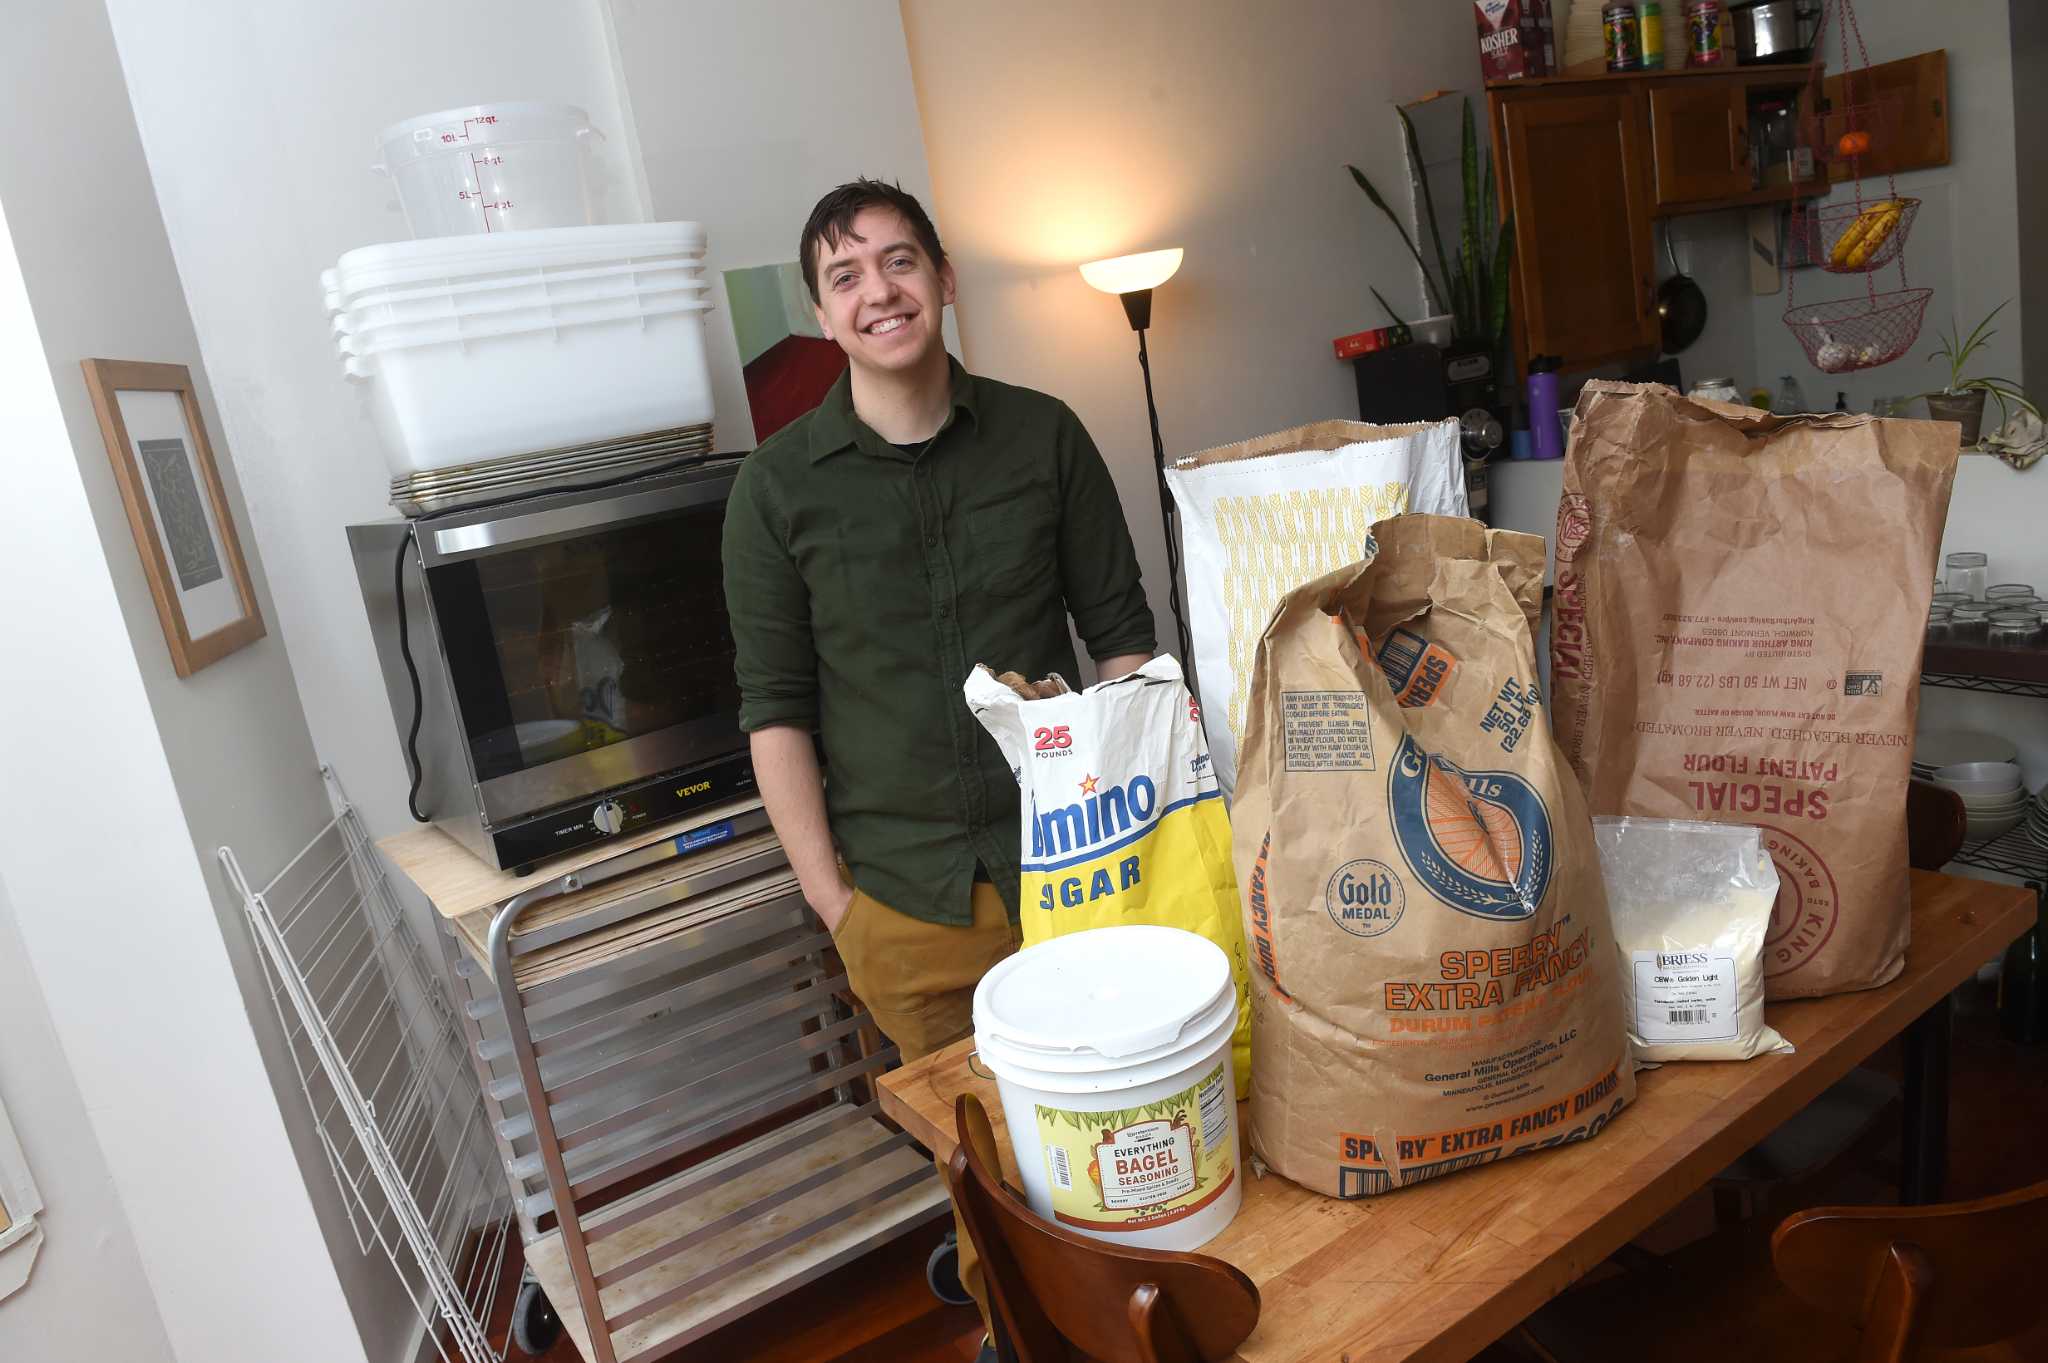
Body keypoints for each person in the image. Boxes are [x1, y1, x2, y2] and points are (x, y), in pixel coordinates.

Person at [721, 178, 1155, 1349]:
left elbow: (1120, 636)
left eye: (899, 261)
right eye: (846, 275)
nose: (879, 291)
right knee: (985, 1179)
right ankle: (1019, 1337)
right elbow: (775, 712)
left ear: (944, 278)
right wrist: (833, 901)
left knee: (1115, 1140)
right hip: (904, 895)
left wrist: (1125, 813)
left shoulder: (1044, 433)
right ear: (822, 313)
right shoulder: (774, 491)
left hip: (1079, 869)